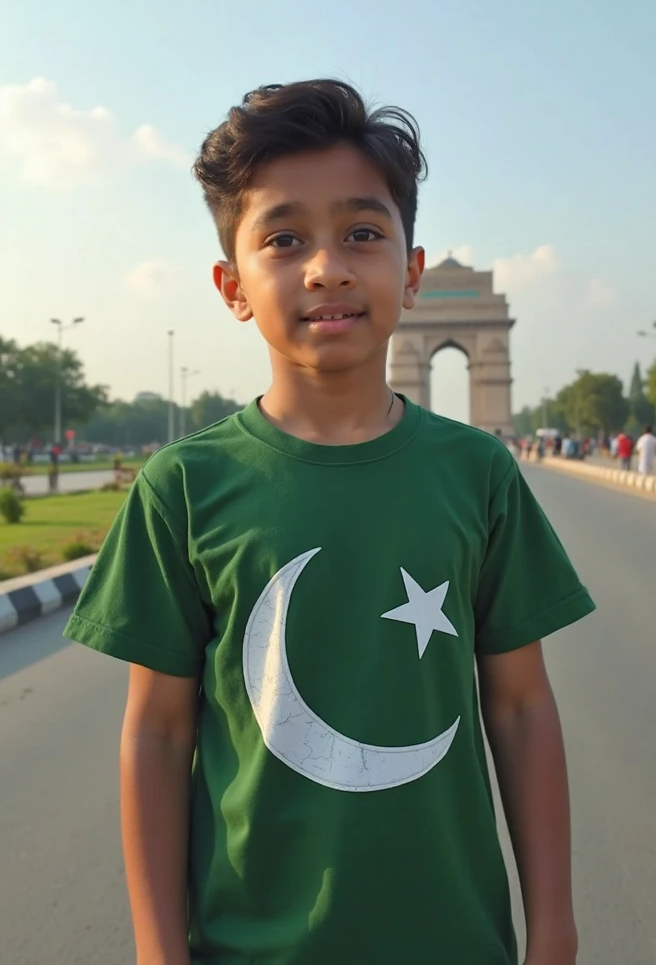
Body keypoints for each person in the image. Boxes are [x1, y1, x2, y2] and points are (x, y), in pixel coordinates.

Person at [64, 80, 594, 965]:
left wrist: (557, 932)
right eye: (284, 239)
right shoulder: (182, 488)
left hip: (455, 942)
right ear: (232, 286)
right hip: (247, 947)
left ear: (411, 274)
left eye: (362, 233)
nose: (327, 268)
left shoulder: (480, 475)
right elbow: (155, 732)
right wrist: (158, 951)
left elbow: (522, 705)